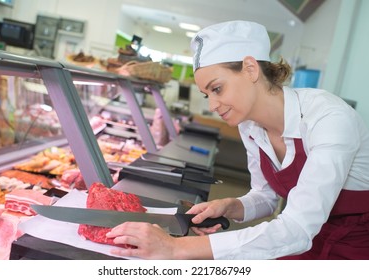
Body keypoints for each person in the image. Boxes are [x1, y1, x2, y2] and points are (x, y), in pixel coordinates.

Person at [106, 20, 369, 260]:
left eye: (217, 89)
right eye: (206, 94)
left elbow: (298, 228)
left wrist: (176, 248)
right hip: (305, 237)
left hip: (357, 245)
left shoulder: (328, 118)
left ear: (251, 69)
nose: (213, 105)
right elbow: (266, 196)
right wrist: (232, 206)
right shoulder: (249, 125)